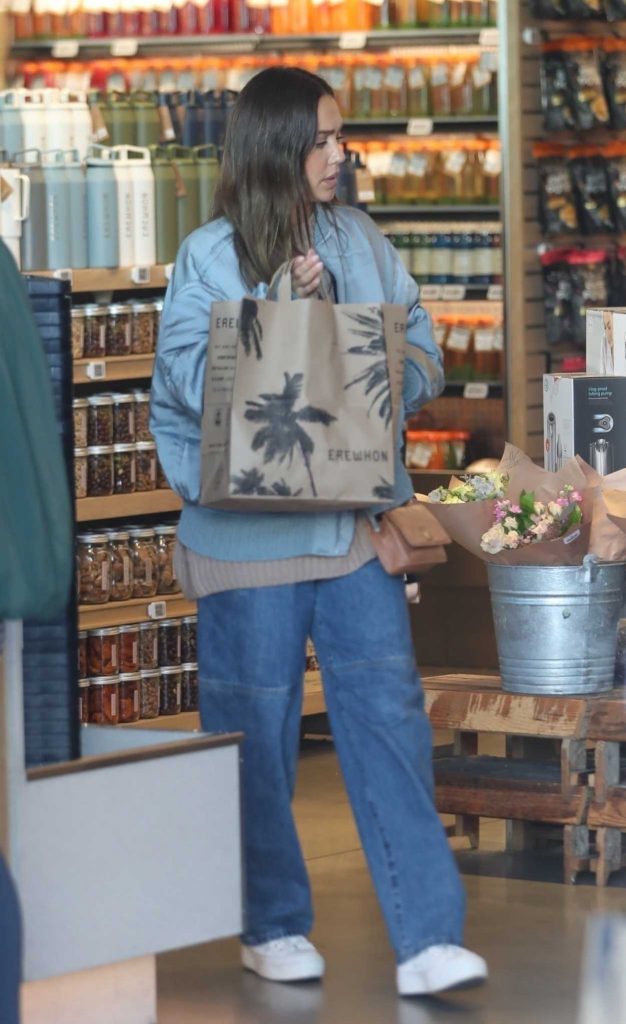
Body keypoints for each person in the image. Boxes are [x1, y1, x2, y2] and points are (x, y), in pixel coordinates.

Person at [150, 66, 488, 998]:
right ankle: (271, 921)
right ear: (276, 149)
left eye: (342, 138)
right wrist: (280, 314)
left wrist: (378, 347)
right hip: (245, 536)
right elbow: (184, 378)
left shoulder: (362, 240)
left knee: (387, 720)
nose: (340, 155)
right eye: (323, 140)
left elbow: (417, 344)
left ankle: (428, 938)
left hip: (352, 528)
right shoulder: (211, 255)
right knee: (254, 732)